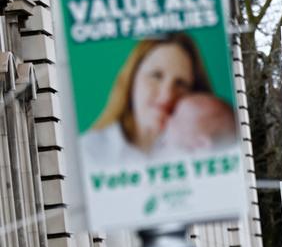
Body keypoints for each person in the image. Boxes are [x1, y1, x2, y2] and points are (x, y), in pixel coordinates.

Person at [81, 32, 234, 162]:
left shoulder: (210, 150)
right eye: (156, 76)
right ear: (132, 79)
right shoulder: (89, 153)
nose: (166, 95)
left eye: (181, 83)